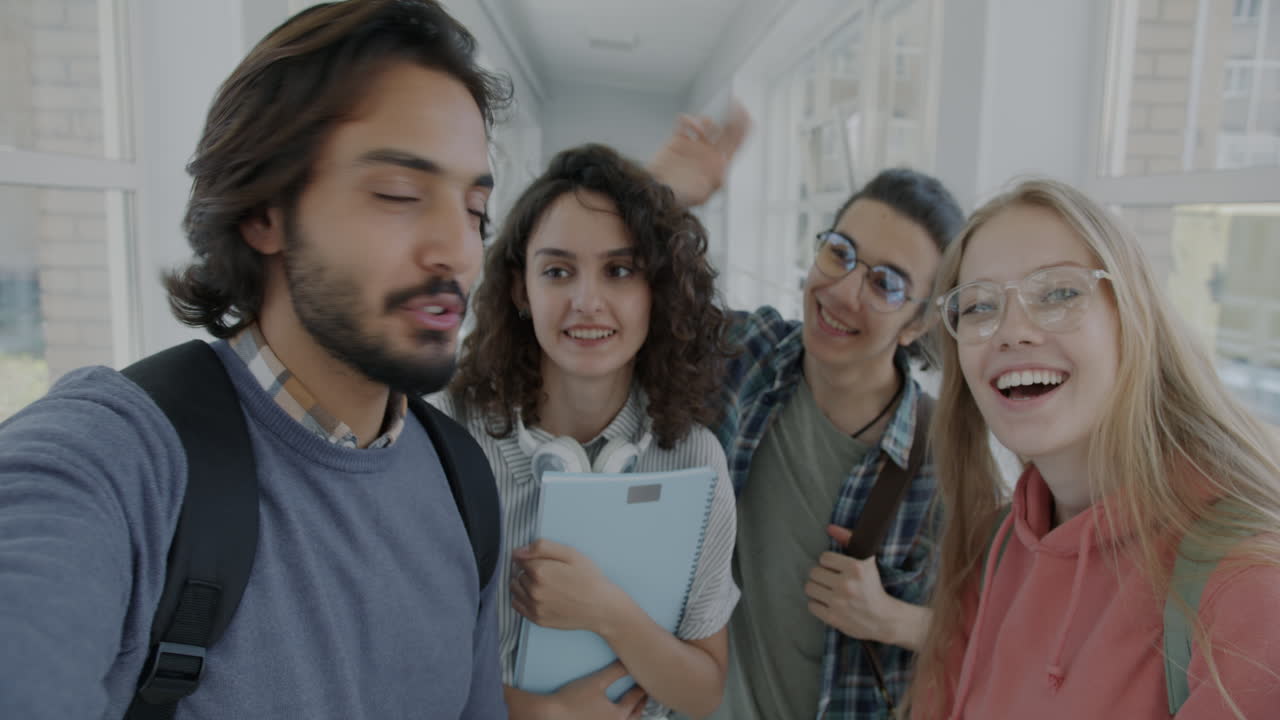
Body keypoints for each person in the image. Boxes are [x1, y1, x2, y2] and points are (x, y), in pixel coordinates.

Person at [0, 2, 512, 717]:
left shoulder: (463, 482)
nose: (458, 252)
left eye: (475, 211)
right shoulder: (120, 457)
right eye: (399, 194)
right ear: (264, 211)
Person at [910, 178, 1280, 719]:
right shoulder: (994, 547)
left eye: (1059, 293)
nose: (1012, 331)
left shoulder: (1248, 585)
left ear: (1132, 318)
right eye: (979, 306)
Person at [649, 109, 966, 720]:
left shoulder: (945, 464)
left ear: (920, 323)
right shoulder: (746, 356)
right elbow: (621, 295)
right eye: (840, 253)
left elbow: (1007, 637)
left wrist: (899, 621)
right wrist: (662, 197)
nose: (845, 291)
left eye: (887, 285)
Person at [433, 143, 740, 720]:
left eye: (620, 271)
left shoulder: (697, 461)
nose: (587, 302)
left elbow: (702, 693)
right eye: (557, 271)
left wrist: (608, 612)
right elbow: (404, 665)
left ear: (657, 291)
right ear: (522, 289)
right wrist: (547, 716)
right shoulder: (448, 433)